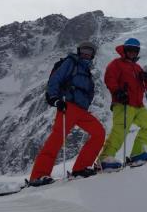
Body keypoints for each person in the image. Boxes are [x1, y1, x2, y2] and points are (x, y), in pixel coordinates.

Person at [29, 41, 105, 186]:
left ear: (92, 55)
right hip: (67, 106)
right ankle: (38, 176)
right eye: (83, 51)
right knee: (56, 139)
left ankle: (81, 168)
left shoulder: (87, 72)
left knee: (99, 133)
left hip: (81, 111)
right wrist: (54, 98)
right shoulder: (71, 62)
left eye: (89, 52)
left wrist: (86, 104)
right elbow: (55, 79)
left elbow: (89, 92)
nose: (86, 54)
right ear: (78, 51)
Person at [98, 38, 147, 169]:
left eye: (135, 50)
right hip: (123, 103)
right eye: (130, 50)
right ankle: (104, 158)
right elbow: (109, 78)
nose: (132, 52)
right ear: (124, 50)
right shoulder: (116, 64)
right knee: (120, 130)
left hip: (138, 105)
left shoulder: (137, 67)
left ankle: (138, 154)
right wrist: (117, 91)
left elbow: (146, 87)